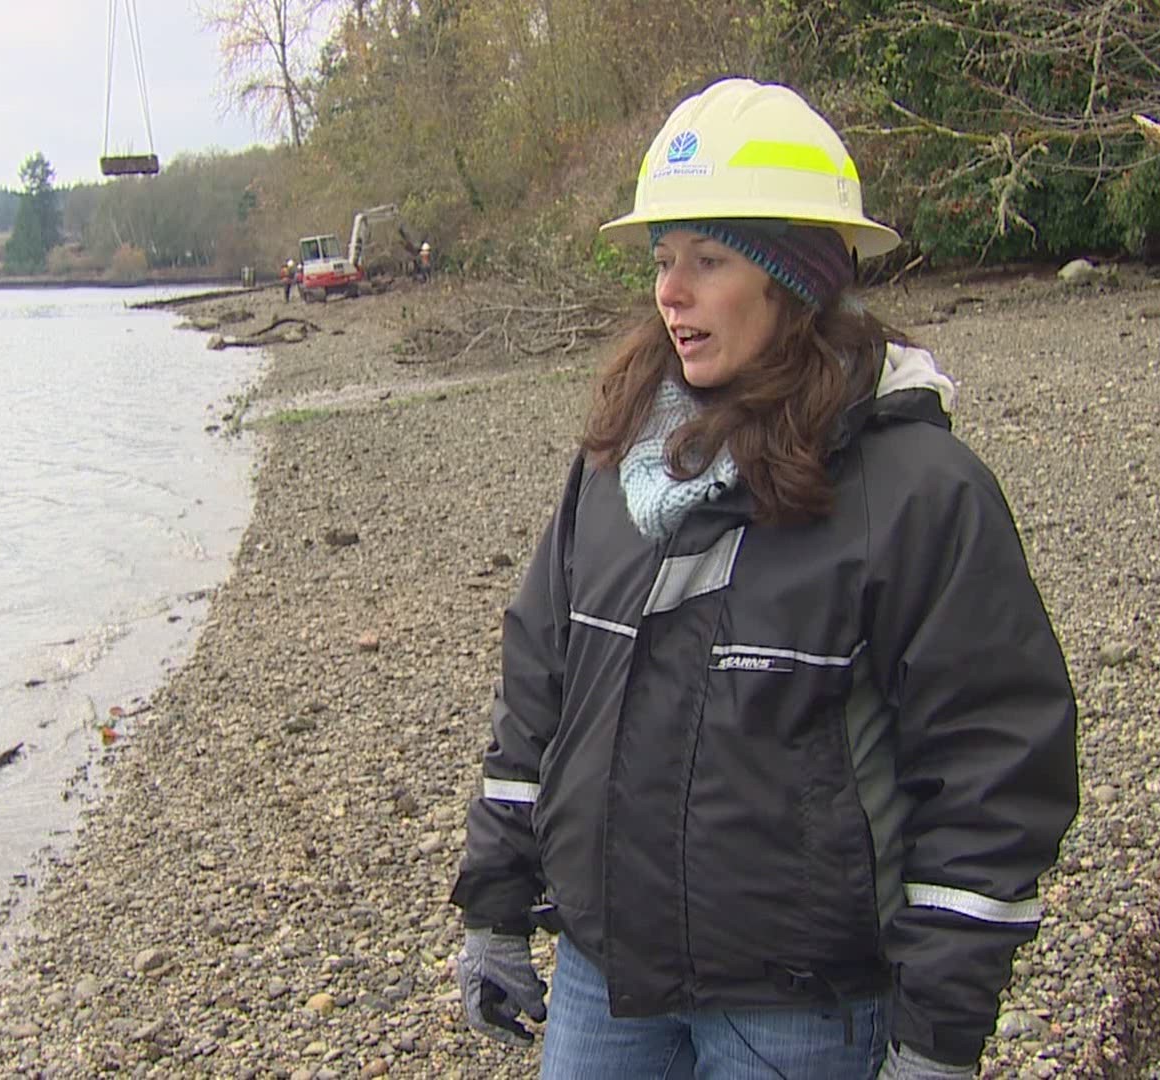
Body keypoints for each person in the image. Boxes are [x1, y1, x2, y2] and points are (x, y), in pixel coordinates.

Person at [450, 77, 1078, 1080]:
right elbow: (538, 689)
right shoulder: (615, 464)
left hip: (800, 1012)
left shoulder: (919, 491)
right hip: (606, 984)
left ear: (795, 278)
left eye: (708, 259)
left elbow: (992, 768)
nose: (671, 292)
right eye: (663, 261)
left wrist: (939, 1039)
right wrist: (493, 900)